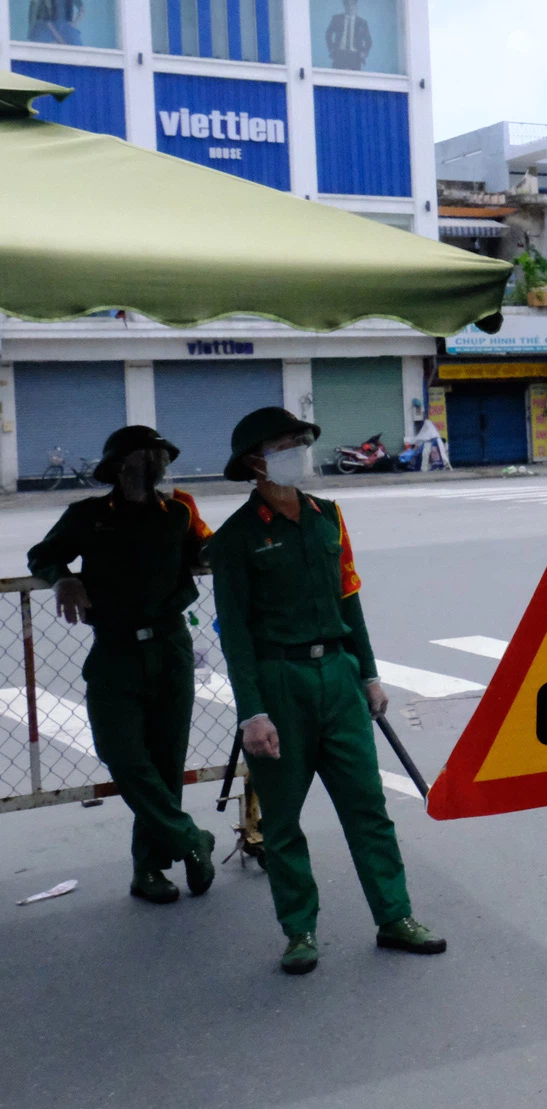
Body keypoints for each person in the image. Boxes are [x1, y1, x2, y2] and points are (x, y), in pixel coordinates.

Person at [207, 407, 444, 975]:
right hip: (278, 681)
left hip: (337, 676)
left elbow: (349, 599)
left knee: (368, 808)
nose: (299, 449)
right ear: (256, 461)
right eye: (286, 442)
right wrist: (252, 712)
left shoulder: (328, 517)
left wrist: (367, 671)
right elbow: (234, 632)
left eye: (300, 440)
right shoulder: (236, 538)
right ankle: (300, 932)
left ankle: (395, 917)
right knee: (284, 821)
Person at [26, 427, 215, 905]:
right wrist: (63, 580)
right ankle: (191, 839)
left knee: (166, 763)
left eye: (157, 459)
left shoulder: (179, 513)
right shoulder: (88, 516)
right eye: (138, 459)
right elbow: (42, 556)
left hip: (171, 649)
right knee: (122, 754)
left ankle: (148, 870)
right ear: (115, 468)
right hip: (115, 652)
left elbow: (207, 554)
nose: (149, 467)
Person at [324, 0, 372, 70]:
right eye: (347, 4)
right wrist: (331, 49)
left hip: (355, 56)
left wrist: (364, 53)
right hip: (339, 54)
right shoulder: (337, 19)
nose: (350, 7)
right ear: (344, 5)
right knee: (336, 79)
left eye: (352, 4)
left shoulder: (362, 23)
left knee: (354, 80)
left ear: (356, 5)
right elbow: (328, 34)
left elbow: (368, 41)